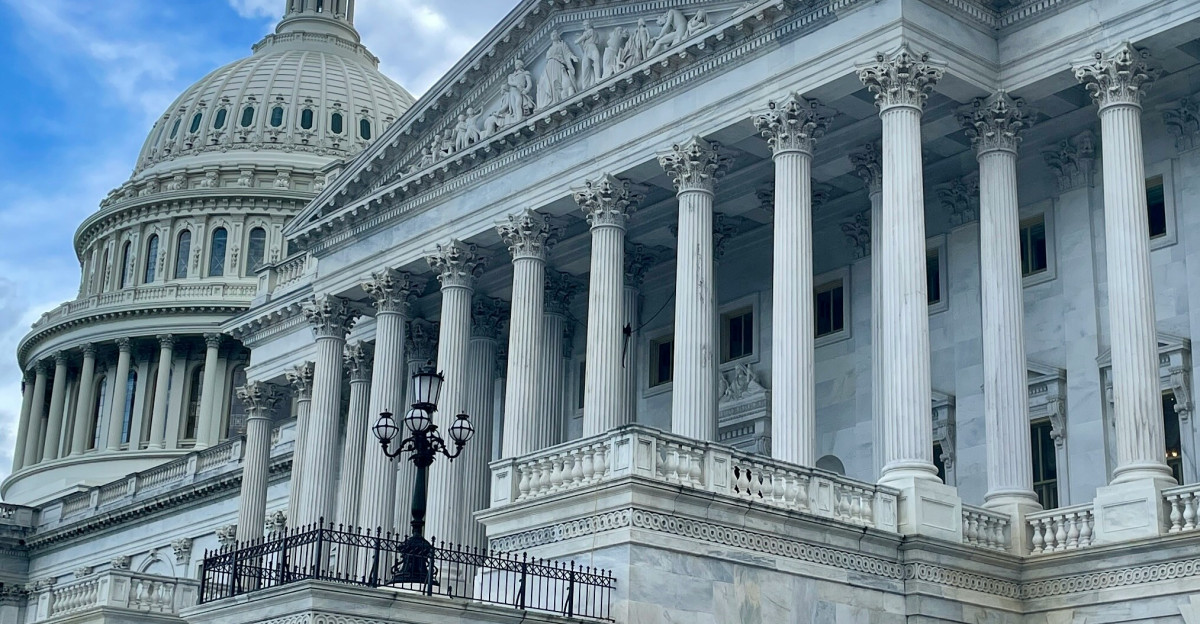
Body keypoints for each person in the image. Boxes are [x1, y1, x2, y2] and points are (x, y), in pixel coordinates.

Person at [537, 31, 578, 108]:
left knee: (557, 81)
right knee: (550, 83)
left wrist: (573, 57)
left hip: (558, 64)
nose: (553, 36)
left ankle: (558, 98)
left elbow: (567, 53)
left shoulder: (561, 44)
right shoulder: (550, 48)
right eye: (552, 35)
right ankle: (553, 100)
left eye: (554, 34)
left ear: (557, 36)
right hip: (549, 67)